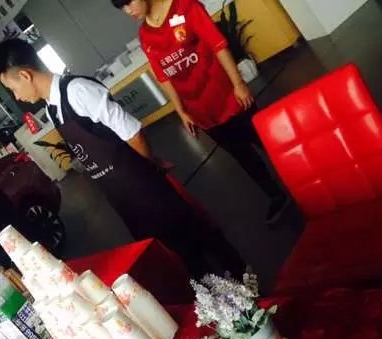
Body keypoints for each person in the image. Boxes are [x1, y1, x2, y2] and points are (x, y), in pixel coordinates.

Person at [0, 38, 244, 277]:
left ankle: (245, 282)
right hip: (121, 196)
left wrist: (148, 168)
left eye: (13, 89)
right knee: (178, 256)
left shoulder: (78, 91)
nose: (17, 97)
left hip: (143, 185)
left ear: (25, 75)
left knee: (196, 235)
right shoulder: (52, 109)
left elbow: (133, 133)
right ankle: (215, 298)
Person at [112, 0, 288, 223]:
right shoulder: (146, 36)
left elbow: (218, 44)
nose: (128, 11)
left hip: (230, 97)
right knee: (243, 156)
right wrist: (181, 111)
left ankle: (302, 174)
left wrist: (238, 83)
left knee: (267, 140)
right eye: (122, 8)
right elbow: (164, 77)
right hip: (203, 114)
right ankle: (275, 194)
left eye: (129, 2)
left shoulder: (186, 7)